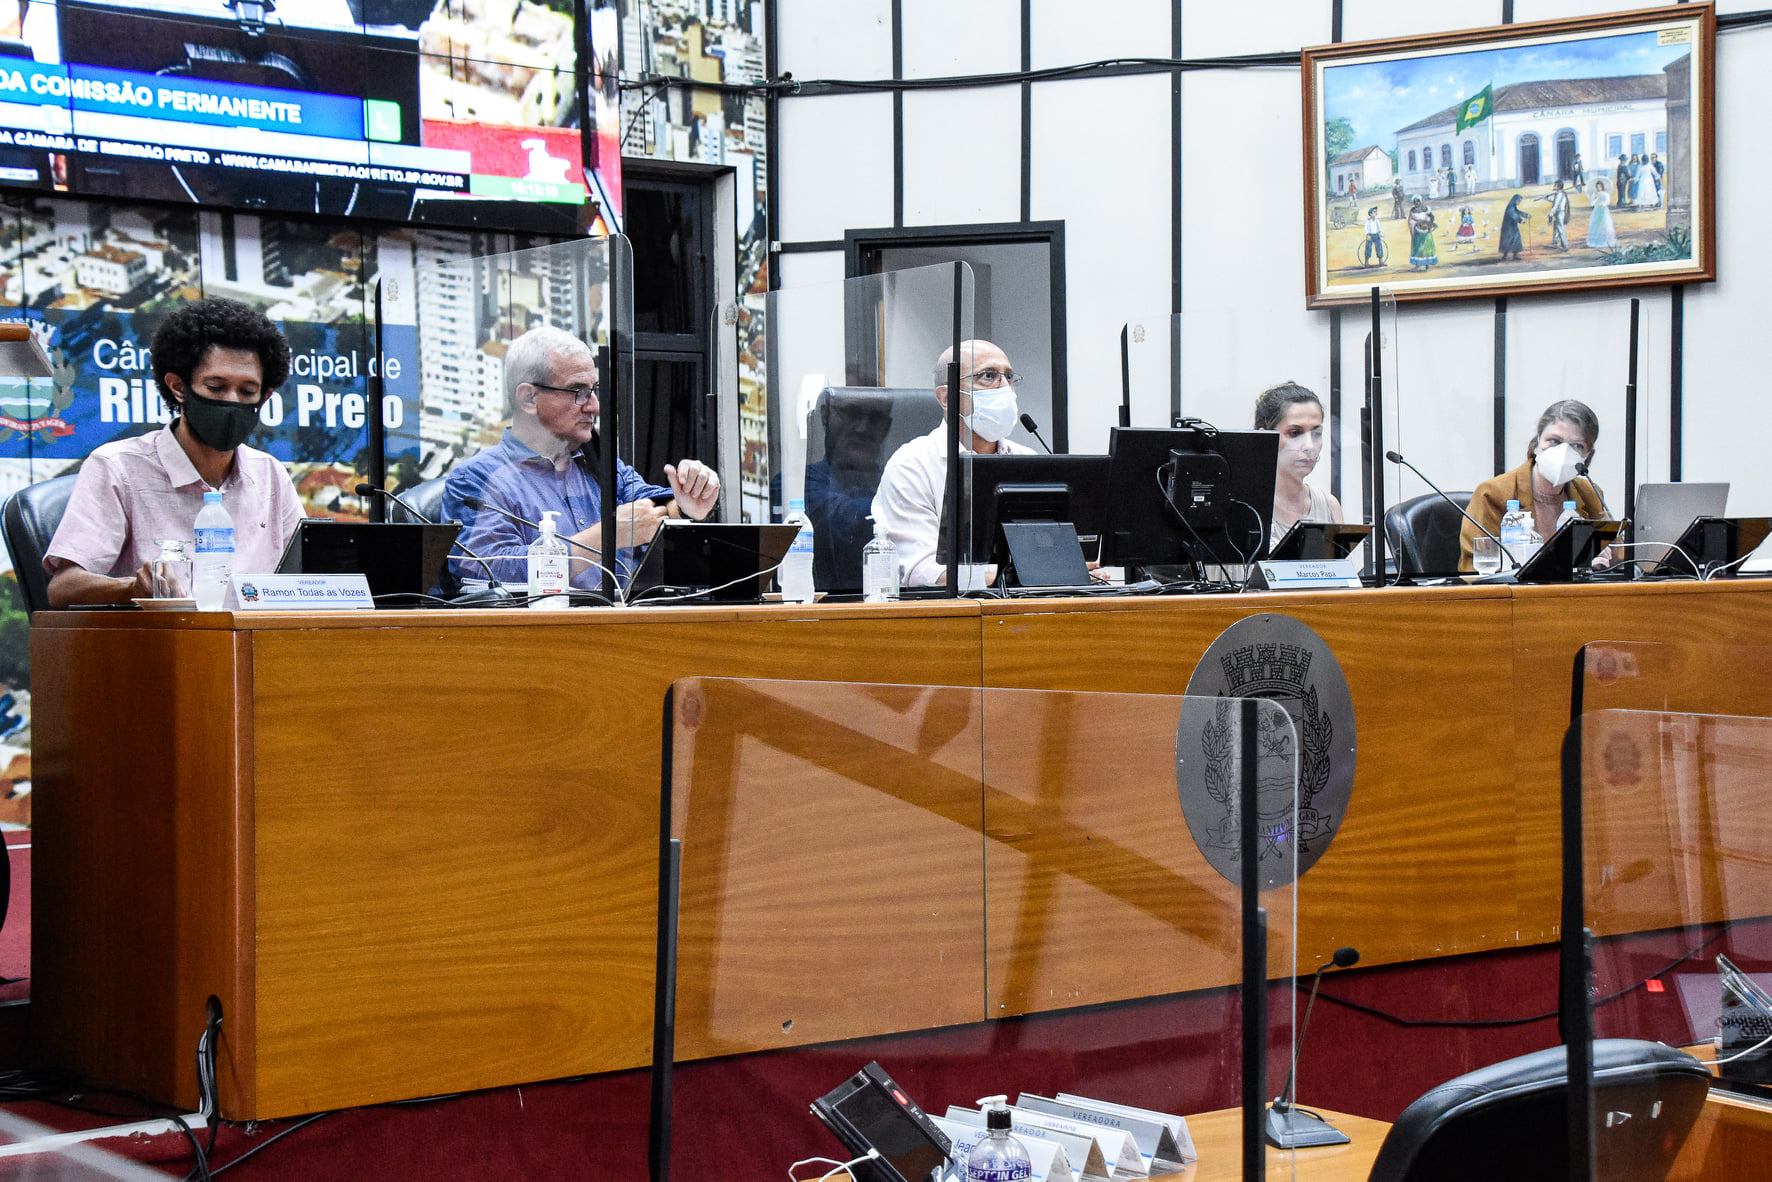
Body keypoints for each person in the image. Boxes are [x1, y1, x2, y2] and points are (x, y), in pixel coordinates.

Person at [43, 297, 304, 607]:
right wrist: (132, 589)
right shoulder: (117, 467)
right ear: (178, 387)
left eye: (247, 391)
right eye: (216, 387)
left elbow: (308, 580)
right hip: (161, 649)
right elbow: (63, 588)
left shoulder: (270, 473)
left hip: (257, 649)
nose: (233, 402)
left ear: (265, 395)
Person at [442, 325, 719, 590]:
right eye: (578, 392)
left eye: (594, 390)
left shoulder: (602, 467)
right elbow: (487, 572)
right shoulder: (476, 480)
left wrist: (689, 503)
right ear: (528, 398)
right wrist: (606, 536)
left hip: (624, 626)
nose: (594, 406)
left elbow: (653, 509)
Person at [870, 339, 1033, 588]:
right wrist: (1012, 577)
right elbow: (922, 571)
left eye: (1008, 377)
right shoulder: (911, 466)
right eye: (988, 376)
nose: (1005, 389)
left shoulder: (1027, 460)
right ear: (947, 398)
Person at [1459, 399, 1605, 571]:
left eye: (1577, 446)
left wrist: (1605, 555)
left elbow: (1619, 557)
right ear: (1537, 444)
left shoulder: (1590, 493)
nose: (1563, 453)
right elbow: (1475, 570)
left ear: (1586, 457)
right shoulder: (1492, 494)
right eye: (1554, 441)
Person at [805, 387, 894, 589]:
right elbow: (844, 520)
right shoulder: (805, 484)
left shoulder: (897, 481)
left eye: (875, 418)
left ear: (886, 427)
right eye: (852, 414)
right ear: (826, 416)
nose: (863, 428)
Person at [1254, 382, 1343, 549]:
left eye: (1316, 433)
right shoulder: (1241, 508)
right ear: (1264, 438)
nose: (1309, 445)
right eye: (1295, 433)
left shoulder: (1329, 506)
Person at [1538, 180, 1570, 251]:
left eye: (1555, 185)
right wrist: (1546, 198)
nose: (1554, 186)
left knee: (1560, 228)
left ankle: (1565, 245)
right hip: (1558, 213)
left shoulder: (1559, 194)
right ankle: (1555, 242)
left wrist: (1551, 213)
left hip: (1559, 213)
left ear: (1558, 186)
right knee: (1556, 227)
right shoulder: (1558, 194)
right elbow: (1554, 200)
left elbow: (1556, 205)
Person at [1407, 198, 1438, 270]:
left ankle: (1427, 266)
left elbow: (1432, 216)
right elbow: (1410, 220)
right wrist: (1415, 224)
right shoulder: (1412, 210)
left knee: (1426, 248)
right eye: (1414, 202)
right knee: (1418, 248)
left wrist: (1429, 224)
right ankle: (1418, 265)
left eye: (1417, 201)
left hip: (1426, 232)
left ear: (1420, 201)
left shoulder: (1425, 208)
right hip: (1417, 232)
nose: (1416, 203)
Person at [1586, 179, 1617, 249]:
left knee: (1605, 224)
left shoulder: (1605, 194)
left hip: (1604, 211)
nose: (1598, 188)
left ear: (1602, 187)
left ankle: (1606, 240)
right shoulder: (1594, 194)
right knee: (1596, 225)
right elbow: (1591, 204)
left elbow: (1608, 201)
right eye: (1597, 187)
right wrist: (1595, 198)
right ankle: (1597, 241)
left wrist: (1603, 203)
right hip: (1596, 211)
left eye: (1599, 187)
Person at [1498, 193, 1527, 260]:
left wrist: (1525, 215)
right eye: (1518, 201)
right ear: (1515, 200)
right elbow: (1514, 215)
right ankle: (1505, 256)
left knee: (1516, 239)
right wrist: (1520, 220)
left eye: (1520, 201)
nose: (1519, 202)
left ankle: (1515, 255)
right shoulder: (1510, 208)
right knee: (1507, 241)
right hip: (1508, 228)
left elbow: (1517, 212)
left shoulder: (1513, 206)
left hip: (1513, 227)